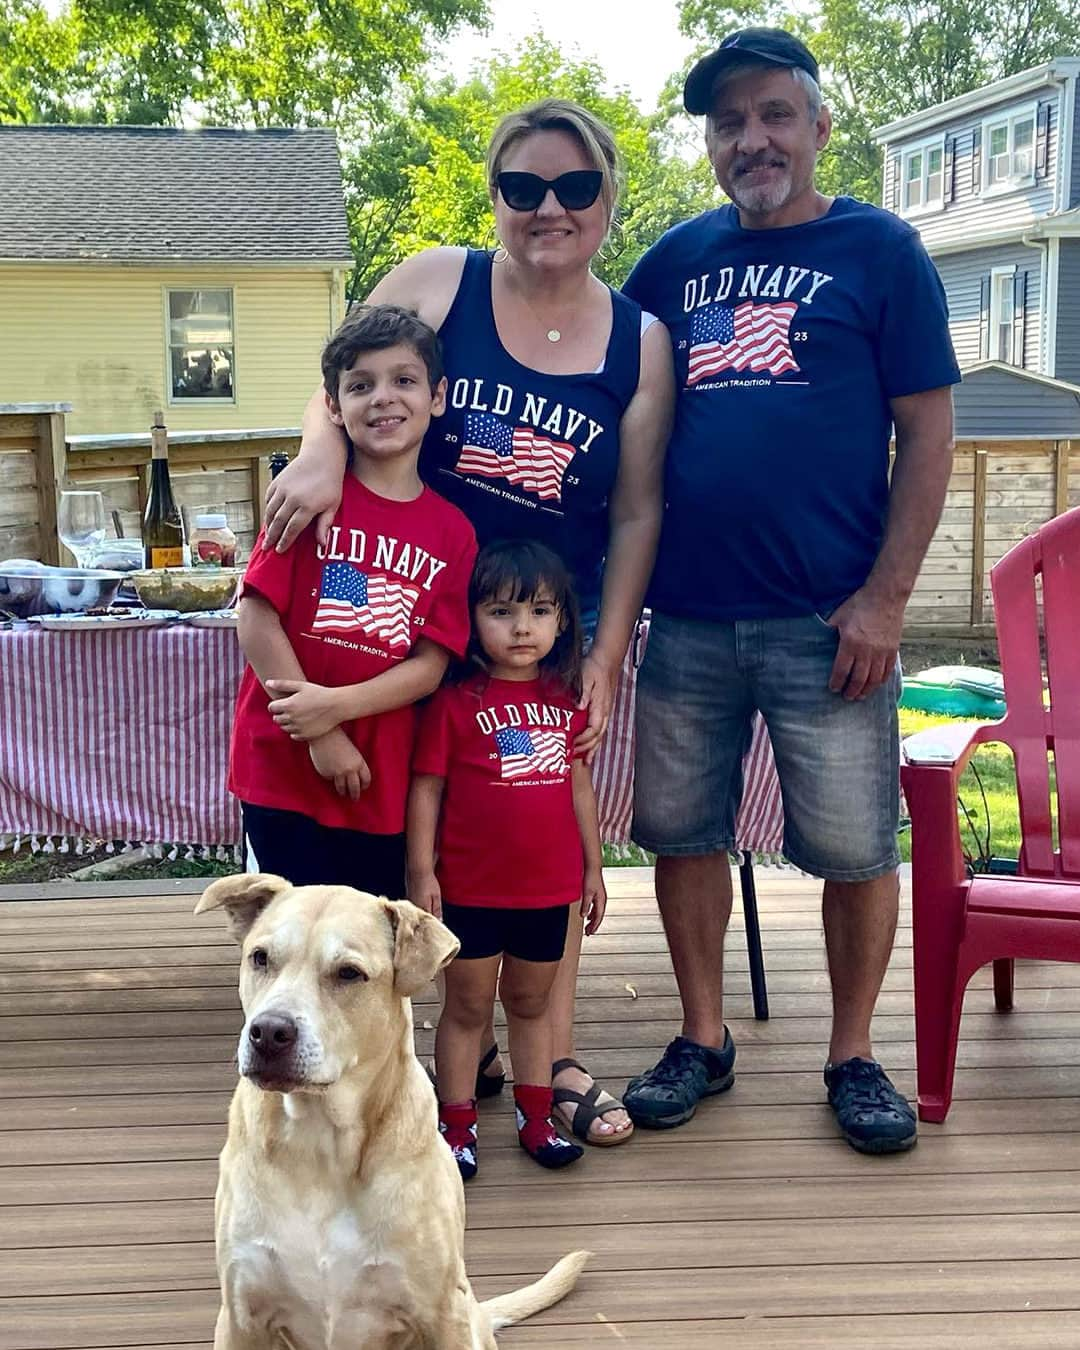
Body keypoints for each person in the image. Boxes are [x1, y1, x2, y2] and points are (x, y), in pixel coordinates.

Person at [262, 98, 675, 1145]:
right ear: (493, 196)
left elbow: (634, 508)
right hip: (412, 609)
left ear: (608, 197)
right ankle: (447, 1040)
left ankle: (553, 1047)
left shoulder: (640, 338)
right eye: (522, 187)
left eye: (575, 187)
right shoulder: (437, 280)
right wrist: (316, 453)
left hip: (540, 627)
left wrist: (609, 651)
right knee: (426, 822)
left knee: (536, 819)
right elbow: (345, 371)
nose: (549, 208)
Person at [620, 28, 961, 1154]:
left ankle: (854, 1055)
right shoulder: (671, 263)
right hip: (689, 618)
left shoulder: (883, 252)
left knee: (859, 848)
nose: (750, 139)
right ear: (712, 145)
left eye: (773, 114)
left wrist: (885, 601)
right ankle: (703, 1037)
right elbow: (590, 372)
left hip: (833, 624)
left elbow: (928, 433)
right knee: (680, 835)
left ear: (818, 126)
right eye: (728, 123)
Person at [228, 304, 476, 896]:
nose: (383, 398)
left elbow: (431, 664)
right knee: (286, 941)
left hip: (377, 779)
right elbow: (255, 613)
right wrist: (319, 734)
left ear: (437, 397)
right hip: (283, 766)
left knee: (363, 948)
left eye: (404, 381)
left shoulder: (453, 532)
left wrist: (335, 709)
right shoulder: (309, 498)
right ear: (334, 406)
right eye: (360, 386)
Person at [409, 539, 606, 1178]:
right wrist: (421, 871)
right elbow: (428, 788)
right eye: (501, 612)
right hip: (470, 889)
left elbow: (579, 784)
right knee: (467, 1009)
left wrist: (593, 869)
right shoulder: (453, 702)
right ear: (472, 619)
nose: (523, 628)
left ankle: (536, 1118)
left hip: (546, 891)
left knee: (531, 1006)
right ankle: (457, 1126)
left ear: (563, 621)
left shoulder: (566, 698)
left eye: (540, 612)